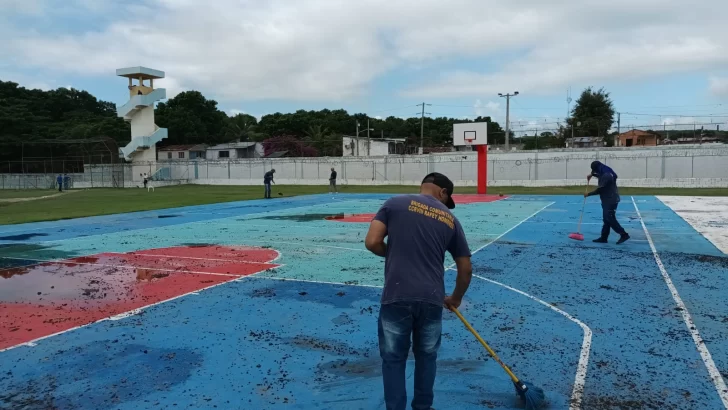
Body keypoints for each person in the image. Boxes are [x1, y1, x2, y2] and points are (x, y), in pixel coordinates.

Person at [365, 172, 472, 410]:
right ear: (443, 192)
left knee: (393, 359)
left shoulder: (395, 203)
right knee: (427, 357)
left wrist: (393, 253)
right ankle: (423, 407)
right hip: (432, 298)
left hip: (397, 294)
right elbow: (465, 269)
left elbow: (372, 242)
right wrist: (455, 298)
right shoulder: (451, 220)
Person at [586, 161, 629, 244]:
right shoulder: (606, 171)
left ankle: (623, 234)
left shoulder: (606, 175)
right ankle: (604, 237)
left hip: (610, 199)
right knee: (606, 219)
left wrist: (588, 194)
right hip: (608, 199)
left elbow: (600, 190)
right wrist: (592, 175)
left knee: (609, 218)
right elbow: (601, 175)